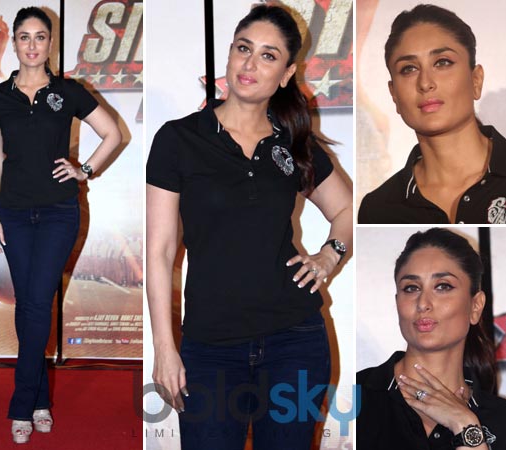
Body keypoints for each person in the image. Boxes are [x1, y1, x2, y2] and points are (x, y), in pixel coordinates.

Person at [147, 5, 352, 450]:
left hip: (295, 341)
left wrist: (329, 255)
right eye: (244, 48)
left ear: (286, 73)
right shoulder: (178, 139)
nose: (250, 63)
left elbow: (347, 208)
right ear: (229, 54)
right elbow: (160, 252)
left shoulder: (293, 143)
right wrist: (164, 347)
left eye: (268, 55)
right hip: (210, 348)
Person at [0, 7, 121, 444]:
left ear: (50, 43)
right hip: (13, 214)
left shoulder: (67, 91)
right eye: (24, 36)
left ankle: (22, 404)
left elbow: (113, 133)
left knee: (38, 301)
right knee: (28, 304)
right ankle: (40, 398)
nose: (32, 45)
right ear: (15, 43)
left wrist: (85, 170)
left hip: (59, 213)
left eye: (40, 36)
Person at [357, 4, 506, 224]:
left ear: (476, 80)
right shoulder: (378, 209)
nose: (425, 83)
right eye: (409, 69)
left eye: (442, 63)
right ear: (393, 94)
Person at [357, 228, 506, 450]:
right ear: (397, 303)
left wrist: (465, 425)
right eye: (411, 288)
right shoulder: (354, 396)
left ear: (475, 306)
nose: (423, 303)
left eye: (443, 286)